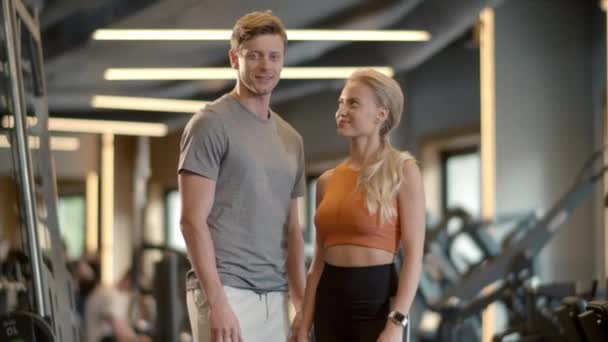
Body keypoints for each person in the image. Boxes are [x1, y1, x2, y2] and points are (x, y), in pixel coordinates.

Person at [178, 10, 306, 342]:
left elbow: (293, 229)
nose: (266, 66)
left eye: (274, 56)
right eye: (255, 56)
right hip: (227, 290)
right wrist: (217, 302)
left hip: (277, 295)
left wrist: (302, 303)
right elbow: (192, 221)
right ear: (235, 59)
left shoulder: (292, 139)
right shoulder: (210, 124)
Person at [297, 69, 426, 342]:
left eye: (353, 103)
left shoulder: (403, 170)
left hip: (377, 308)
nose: (341, 110)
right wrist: (302, 321)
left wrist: (397, 321)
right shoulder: (326, 181)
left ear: (381, 114)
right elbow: (318, 262)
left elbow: (414, 256)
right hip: (329, 307)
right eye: (340, 103)